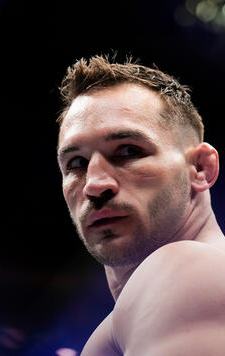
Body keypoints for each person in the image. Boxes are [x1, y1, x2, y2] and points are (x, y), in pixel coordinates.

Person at [56, 54, 225, 355]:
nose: (94, 184)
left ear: (200, 168)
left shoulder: (188, 270)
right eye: (77, 163)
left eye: (128, 151)